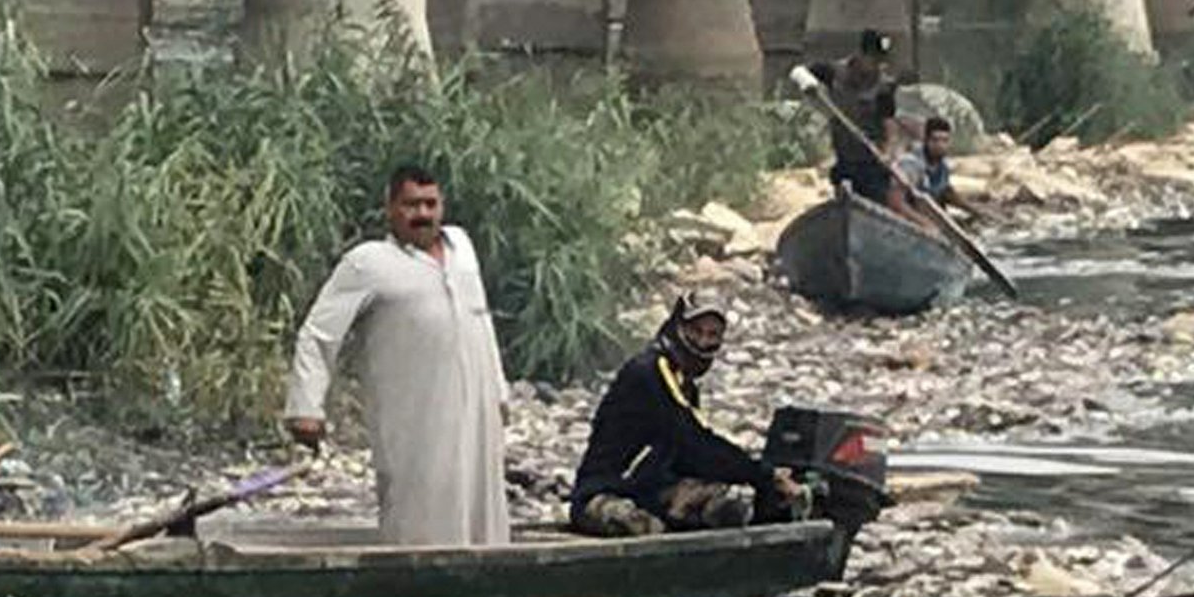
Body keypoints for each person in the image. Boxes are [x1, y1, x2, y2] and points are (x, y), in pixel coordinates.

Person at [282, 164, 511, 547]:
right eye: (410, 205)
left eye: (430, 204)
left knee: (482, 505)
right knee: (419, 509)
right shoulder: (368, 263)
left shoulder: (462, 247)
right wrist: (306, 408)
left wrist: (499, 390)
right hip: (413, 417)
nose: (422, 214)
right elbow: (318, 334)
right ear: (390, 208)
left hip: (478, 411)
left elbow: (480, 319)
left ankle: (488, 587)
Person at [568, 297, 811, 539]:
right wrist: (764, 474)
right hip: (605, 493)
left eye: (713, 335)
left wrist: (763, 483)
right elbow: (693, 441)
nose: (703, 342)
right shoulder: (651, 371)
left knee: (730, 506)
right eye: (696, 331)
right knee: (644, 527)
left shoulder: (684, 383)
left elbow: (687, 453)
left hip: (649, 491)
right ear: (678, 328)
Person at [826, 28, 895, 201]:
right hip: (844, 158)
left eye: (882, 60)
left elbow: (889, 124)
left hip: (871, 162)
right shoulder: (834, 73)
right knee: (844, 198)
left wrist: (887, 153)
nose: (879, 66)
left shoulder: (884, 88)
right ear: (860, 55)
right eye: (874, 60)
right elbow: (801, 74)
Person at [897, 113, 959, 207]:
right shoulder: (911, 164)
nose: (940, 146)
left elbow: (946, 192)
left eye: (945, 140)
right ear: (926, 140)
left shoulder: (942, 166)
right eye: (935, 140)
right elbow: (898, 203)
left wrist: (976, 211)